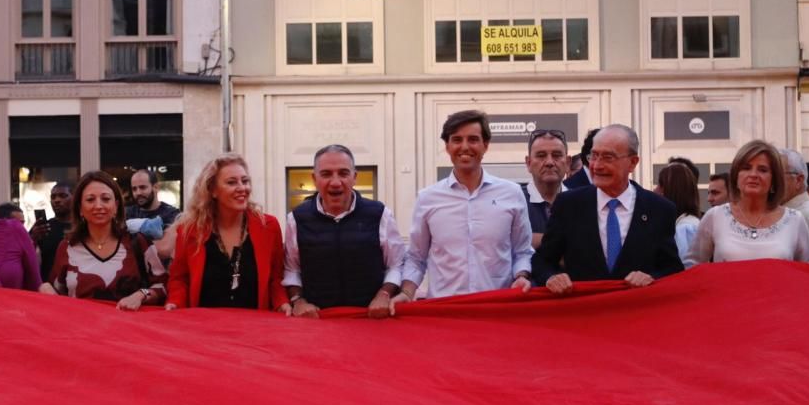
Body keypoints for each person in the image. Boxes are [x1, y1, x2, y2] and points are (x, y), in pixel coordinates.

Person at [393, 110, 533, 306]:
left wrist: (521, 275)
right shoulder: (428, 198)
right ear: (447, 146)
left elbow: (522, 251)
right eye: (457, 139)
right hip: (446, 312)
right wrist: (407, 293)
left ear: (485, 145)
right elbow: (416, 257)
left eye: (473, 139)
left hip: (497, 308)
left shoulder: (512, 193)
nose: (465, 146)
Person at [532, 124, 683, 293]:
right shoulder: (569, 205)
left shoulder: (659, 209)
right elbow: (542, 261)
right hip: (585, 312)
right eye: (594, 156)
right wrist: (551, 277)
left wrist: (652, 278)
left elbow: (672, 269)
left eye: (608, 157)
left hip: (638, 313)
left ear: (633, 162)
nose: (597, 166)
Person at [283, 145, 405, 319]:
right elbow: (291, 269)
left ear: (354, 177)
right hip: (318, 322)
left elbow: (396, 264)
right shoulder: (296, 218)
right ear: (314, 178)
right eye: (326, 174)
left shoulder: (380, 214)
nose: (335, 182)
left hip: (370, 320)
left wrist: (384, 294)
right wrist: (298, 301)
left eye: (343, 173)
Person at [166, 154, 289, 313]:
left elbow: (275, 278)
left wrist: (282, 303)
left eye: (245, 181)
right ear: (213, 190)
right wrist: (175, 302)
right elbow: (179, 279)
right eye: (232, 182)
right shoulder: (190, 230)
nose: (242, 188)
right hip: (203, 329)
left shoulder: (268, 226)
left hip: (255, 329)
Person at [40, 171, 166, 310]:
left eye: (105, 199)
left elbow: (162, 287)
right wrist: (45, 289)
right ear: (80, 208)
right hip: (79, 330)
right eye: (90, 200)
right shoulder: (67, 248)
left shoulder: (137, 242)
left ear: (116, 206)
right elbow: (57, 297)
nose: (98, 206)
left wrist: (140, 295)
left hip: (128, 329)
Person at [685, 140, 809, 266]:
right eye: (746, 168)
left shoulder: (795, 220)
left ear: (774, 179)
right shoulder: (715, 216)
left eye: (763, 170)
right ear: (736, 176)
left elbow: (808, 271)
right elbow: (692, 264)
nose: (753, 174)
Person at [523, 129, 569, 249]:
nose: (549, 162)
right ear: (528, 163)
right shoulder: (513, 200)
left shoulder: (583, 202)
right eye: (541, 156)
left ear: (568, 163)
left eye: (557, 155)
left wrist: (532, 239)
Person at [654, 163, 701, 267]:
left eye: (660, 185)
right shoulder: (681, 225)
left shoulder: (686, 228)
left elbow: (685, 270)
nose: (655, 190)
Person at [29, 181, 74, 281]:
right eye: (53, 197)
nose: (57, 200)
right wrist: (33, 239)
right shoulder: (42, 228)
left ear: (74, 198)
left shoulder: (83, 226)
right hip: (48, 288)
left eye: (63, 196)